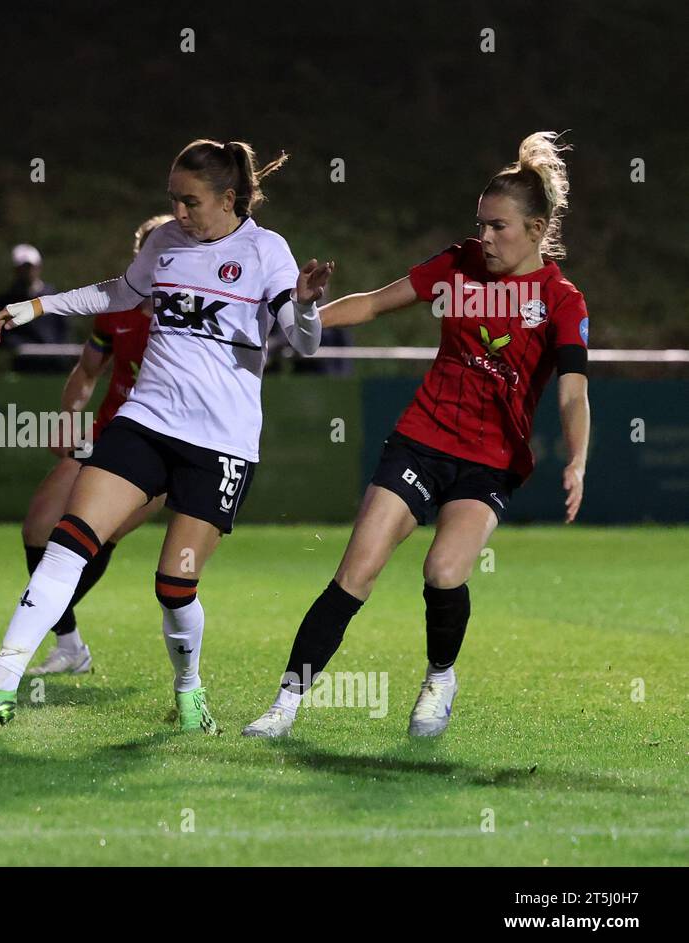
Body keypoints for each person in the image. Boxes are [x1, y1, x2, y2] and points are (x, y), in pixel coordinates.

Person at [0, 139, 332, 732]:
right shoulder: (167, 242)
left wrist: (306, 305)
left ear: (228, 196)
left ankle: (189, 692)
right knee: (69, 539)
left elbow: (303, 341)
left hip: (220, 444)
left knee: (174, 584)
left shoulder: (267, 250)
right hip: (145, 421)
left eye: (190, 201)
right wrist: (37, 307)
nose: (179, 213)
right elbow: (120, 291)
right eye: (172, 199)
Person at [244, 132, 590, 740]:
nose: (484, 238)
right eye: (480, 224)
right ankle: (284, 707)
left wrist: (577, 458)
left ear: (537, 229)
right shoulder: (458, 264)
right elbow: (376, 304)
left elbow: (573, 388)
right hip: (421, 440)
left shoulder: (561, 300)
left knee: (443, 572)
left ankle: (440, 677)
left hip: (490, 462)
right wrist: (301, 317)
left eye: (498, 228)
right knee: (356, 573)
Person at [23, 215, 172, 676]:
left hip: (165, 447)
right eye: (147, 253)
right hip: (107, 435)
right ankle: (69, 644)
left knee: (98, 535)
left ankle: (33, 625)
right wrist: (69, 417)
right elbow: (88, 372)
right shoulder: (117, 312)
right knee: (37, 528)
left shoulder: (195, 317)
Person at [0, 244, 67, 374]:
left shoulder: (53, 296)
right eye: (23, 268)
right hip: (23, 367)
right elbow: (1, 334)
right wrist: (22, 347)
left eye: (30, 267)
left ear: (38, 267)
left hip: (54, 366)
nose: (27, 271)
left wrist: (57, 352)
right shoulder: (5, 301)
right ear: (16, 270)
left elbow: (64, 329)